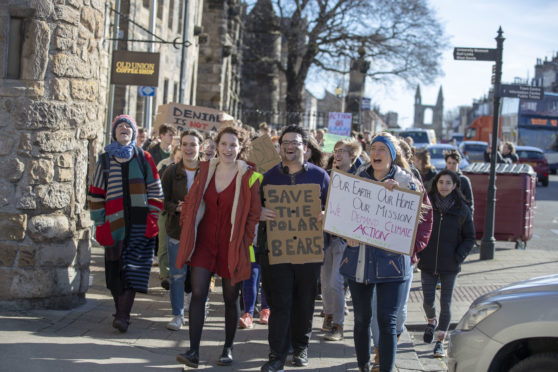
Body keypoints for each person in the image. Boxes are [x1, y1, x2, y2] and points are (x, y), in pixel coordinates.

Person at [340, 133, 432, 372]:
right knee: (361, 319)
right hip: (359, 259)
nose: (376, 153)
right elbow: (345, 215)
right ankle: (363, 365)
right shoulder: (358, 177)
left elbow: (423, 216)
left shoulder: (407, 181)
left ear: (392, 154)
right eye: (373, 148)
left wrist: (399, 195)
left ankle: (386, 368)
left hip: (392, 263)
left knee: (387, 320)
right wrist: (344, 233)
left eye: (382, 149)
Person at [175, 126, 262, 368]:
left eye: (232, 145)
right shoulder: (205, 170)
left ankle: (227, 349)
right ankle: (193, 351)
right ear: (216, 145)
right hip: (204, 242)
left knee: (230, 296)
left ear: (240, 148)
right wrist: (186, 221)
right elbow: (192, 200)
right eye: (223, 144)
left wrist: (246, 242)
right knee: (198, 294)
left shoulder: (248, 175)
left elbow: (253, 214)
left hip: (232, 244)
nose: (227, 149)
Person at [258, 125, 330, 372]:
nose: (289, 146)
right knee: (280, 302)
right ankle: (276, 355)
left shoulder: (321, 177)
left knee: (304, 301)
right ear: (280, 148)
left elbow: (336, 210)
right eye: (285, 142)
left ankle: (300, 347)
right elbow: (251, 208)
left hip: (309, 252)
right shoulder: (268, 177)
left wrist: (325, 215)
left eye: (295, 142)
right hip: (277, 251)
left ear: (305, 148)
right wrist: (259, 212)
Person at [88, 115, 163, 333]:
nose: (124, 128)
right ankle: (119, 308)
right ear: (114, 133)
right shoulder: (104, 159)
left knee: (134, 270)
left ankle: (123, 315)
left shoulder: (144, 157)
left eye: (128, 126)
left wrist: (153, 217)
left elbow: (156, 189)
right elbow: (96, 193)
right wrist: (99, 223)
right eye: (120, 125)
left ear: (133, 132)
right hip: (113, 223)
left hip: (141, 224)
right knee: (115, 272)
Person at [418, 169, 475, 358]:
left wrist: (458, 256)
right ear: (436, 184)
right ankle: (431, 321)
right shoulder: (426, 205)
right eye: (441, 182)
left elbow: (470, 238)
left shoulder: (462, 209)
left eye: (448, 183)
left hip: (450, 265)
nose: (444, 186)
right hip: (427, 262)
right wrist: (419, 250)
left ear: (455, 185)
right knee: (427, 301)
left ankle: (440, 341)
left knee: (446, 303)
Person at [161, 130, 203, 331]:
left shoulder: (208, 172)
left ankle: (197, 311)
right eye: (185, 144)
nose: (188, 148)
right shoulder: (170, 172)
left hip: (201, 230)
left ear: (200, 147)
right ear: (180, 147)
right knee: (177, 274)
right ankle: (177, 314)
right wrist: (177, 208)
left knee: (199, 274)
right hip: (176, 230)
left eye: (193, 144)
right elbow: (162, 201)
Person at [321, 139, 362, 342]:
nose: (337, 155)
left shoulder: (360, 179)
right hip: (327, 236)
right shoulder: (328, 176)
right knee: (325, 281)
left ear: (352, 157)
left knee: (336, 281)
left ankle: (338, 324)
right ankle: (328, 315)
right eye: (336, 151)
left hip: (345, 239)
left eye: (342, 152)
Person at [444, 149, 474, 214]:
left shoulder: (464, 180)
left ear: (458, 163)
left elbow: (470, 203)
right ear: (446, 163)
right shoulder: (440, 179)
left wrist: (469, 220)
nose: (451, 165)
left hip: (460, 216)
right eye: (449, 163)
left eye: (454, 163)